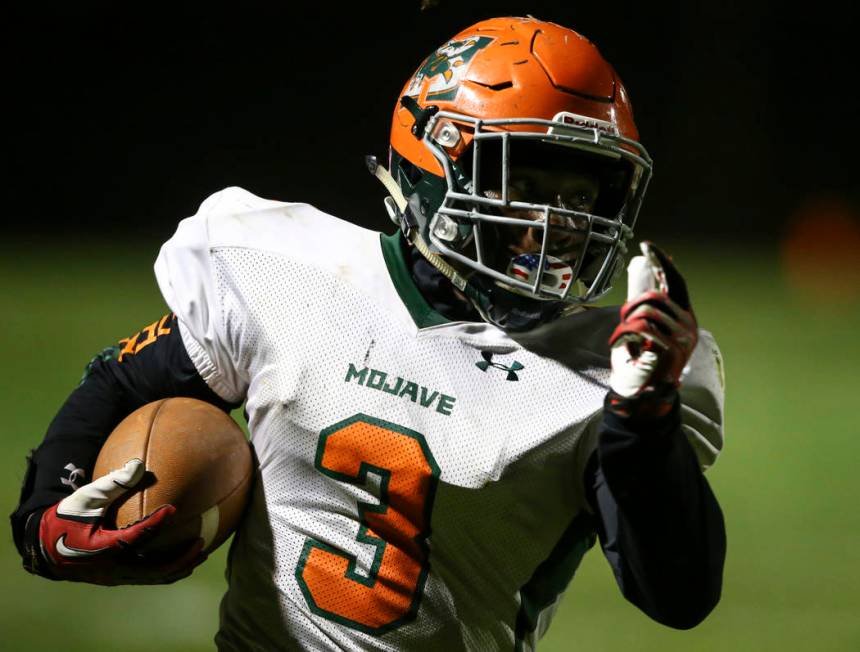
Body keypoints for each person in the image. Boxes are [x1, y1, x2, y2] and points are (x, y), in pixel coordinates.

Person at [11, 16, 726, 650]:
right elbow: (126, 378)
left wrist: (645, 427)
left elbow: (679, 596)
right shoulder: (288, 273)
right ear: (431, 168)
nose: (561, 223)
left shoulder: (604, 375)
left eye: (582, 195)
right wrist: (46, 515)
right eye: (527, 183)